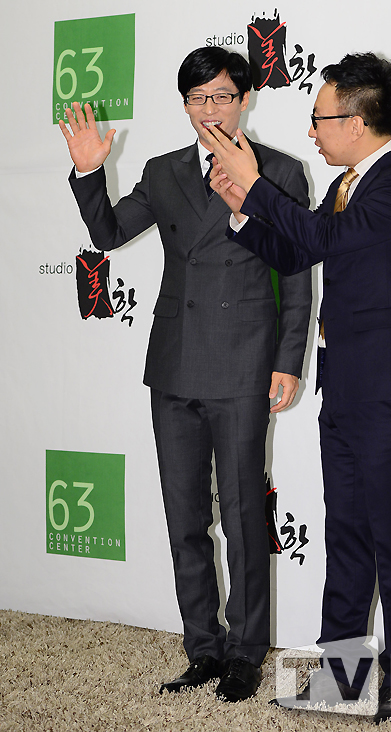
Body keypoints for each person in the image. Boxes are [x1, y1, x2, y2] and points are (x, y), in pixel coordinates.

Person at [59, 46, 311, 703]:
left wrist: (287, 360)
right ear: (185, 105)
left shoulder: (280, 170)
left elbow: (296, 273)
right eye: (198, 98)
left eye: (222, 96)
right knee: (183, 517)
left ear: (245, 100)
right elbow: (110, 234)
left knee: (245, 518)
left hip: (243, 361)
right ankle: (202, 646)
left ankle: (246, 652)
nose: (210, 109)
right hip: (173, 364)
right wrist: (89, 171)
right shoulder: (163, 170)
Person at [206, 51, 391, 722]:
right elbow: (299, 249)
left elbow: (324, 234)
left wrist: (256, 184)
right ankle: (341, 675)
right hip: (345, 386)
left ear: (357, 122)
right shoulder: (346, 185)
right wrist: (243, 212)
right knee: (347, 535)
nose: (311, 131)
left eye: (319, 119)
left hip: (387, 389)